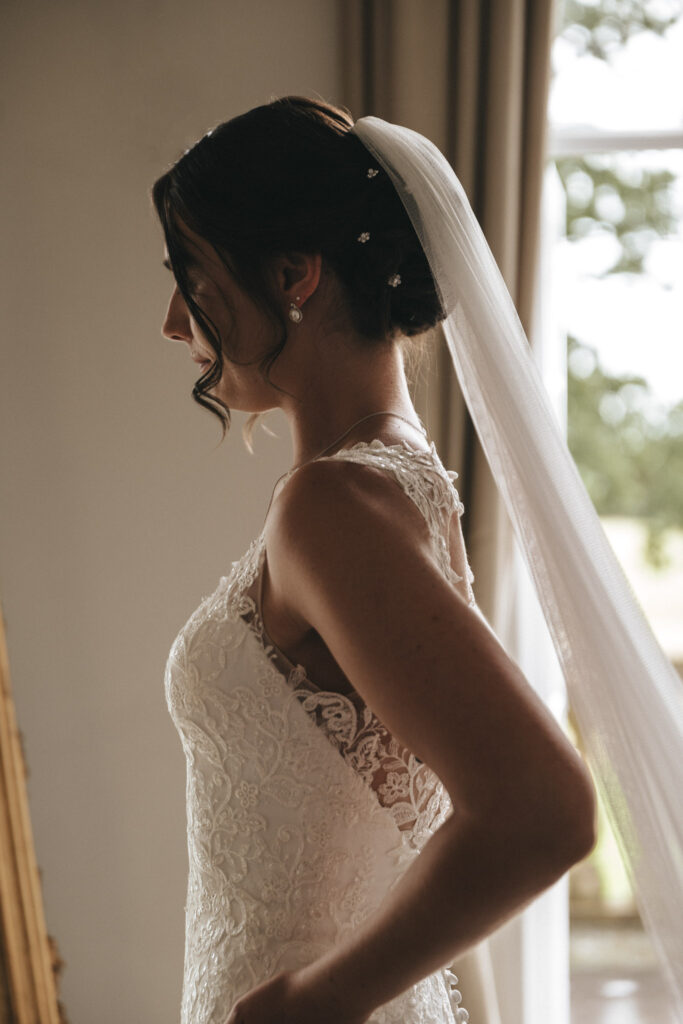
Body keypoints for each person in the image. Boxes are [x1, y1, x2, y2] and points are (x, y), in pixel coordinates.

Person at [156, 95, 597, 1024]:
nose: (172, 321)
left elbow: (543, 809)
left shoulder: (333, 506)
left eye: (189, 276)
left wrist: (313, 1003)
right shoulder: (392, 480)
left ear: (292, 275)